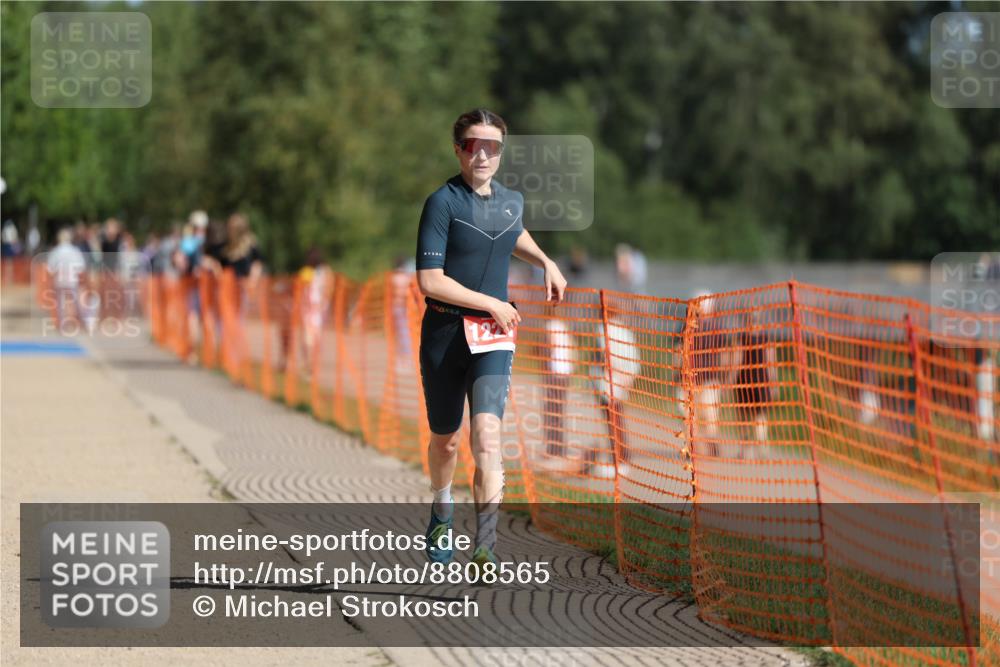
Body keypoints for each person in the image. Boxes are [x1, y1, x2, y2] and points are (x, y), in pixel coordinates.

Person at [416, 108, 567, 575]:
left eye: (492, 147)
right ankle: (442, 510)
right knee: (445, 443)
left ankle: (485, 544)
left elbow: (511, 233)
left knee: (488, 434)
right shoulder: (442, 203)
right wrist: (489, 301)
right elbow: (429, 281)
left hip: (492, 337)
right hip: (444, 333)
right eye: (472, 145)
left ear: (501, 152)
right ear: (457, 148)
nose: (482, 155)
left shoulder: (510, 200)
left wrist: (545, 260)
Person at [587, 314, 640, 479]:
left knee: (613, 422)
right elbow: (634, 356)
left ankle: (620, 460)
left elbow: (605, 355)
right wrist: (628, 376)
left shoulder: (605, 328)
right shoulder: (624, 329)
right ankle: (619, 459)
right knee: (616, 421)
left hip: (607, 381)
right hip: (619, 380)